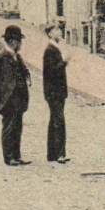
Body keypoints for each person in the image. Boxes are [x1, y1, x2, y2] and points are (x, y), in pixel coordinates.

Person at [0, 26, 31, 166]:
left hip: (19, 98)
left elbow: (23, 71)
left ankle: (16, 155)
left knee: (17, 127)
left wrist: (27, 77)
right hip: (8, 99)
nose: (21, 45)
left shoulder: (17, 56)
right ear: (12, 42)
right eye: (19, 42)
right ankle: (9, 157)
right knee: (9, 128)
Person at [42, 24, 71, 163]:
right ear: (49, 34)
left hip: (57, 92)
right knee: (59, 121)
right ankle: (60, 154)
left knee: (54, 120)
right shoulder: (50, 50)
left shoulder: (55, 48)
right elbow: (51, 72)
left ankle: (52, 154)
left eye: (59, 30)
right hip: (53, 92)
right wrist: (64, 62)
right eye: (56, 30)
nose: (59, 32)